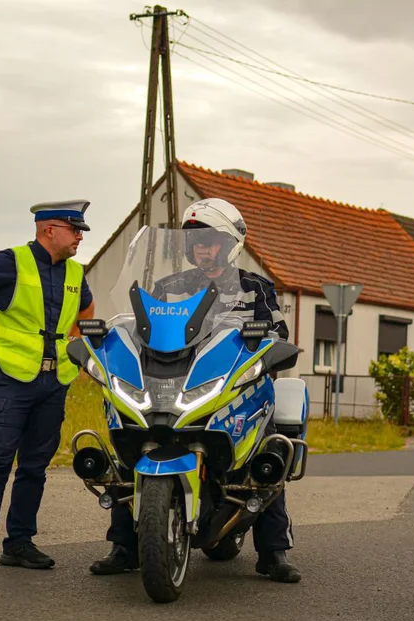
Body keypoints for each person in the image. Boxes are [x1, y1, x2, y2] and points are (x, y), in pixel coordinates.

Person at [88, 198, 302, 583]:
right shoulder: (169, 287)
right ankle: (124, 546)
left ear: (228, 244)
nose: (202, 249)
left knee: (264, 455)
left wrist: (267, 344)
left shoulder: (255, 288)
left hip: (235, 387)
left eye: (210, 241)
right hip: (171, 382)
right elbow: (142, 329)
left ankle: (274, 552)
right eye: (196, 243)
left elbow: (279, 335)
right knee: (130, 449)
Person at [0, 200, 95, 576]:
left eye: (81, 231)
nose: (80, 237)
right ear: (48, 230)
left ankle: (20, 543)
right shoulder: (10, 260)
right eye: (74, 230)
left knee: (35, 466)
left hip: (54, 380)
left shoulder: (76, 272)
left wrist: (74, 348)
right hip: (11, 379)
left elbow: (87, 310)